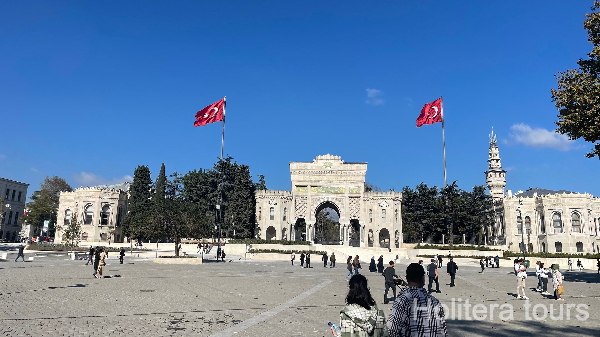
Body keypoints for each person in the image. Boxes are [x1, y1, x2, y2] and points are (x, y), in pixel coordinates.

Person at [387, 263, 447, 337]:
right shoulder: (435, 302)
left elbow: (391, 329)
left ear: (407, 278)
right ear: (423, 278)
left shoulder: (402, 300)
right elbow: (443, 331)